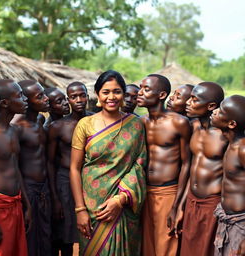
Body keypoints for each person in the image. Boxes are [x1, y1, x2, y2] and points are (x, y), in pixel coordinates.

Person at [70, 70, 147, 255]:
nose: (111, 97)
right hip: (91, 205)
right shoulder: (85, 124)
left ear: (123, 94)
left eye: (117, 91)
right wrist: (80, 210)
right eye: (106, 92)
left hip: (123, 206)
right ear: (98, 94)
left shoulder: (136, 125)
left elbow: (139, 164)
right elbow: (74, 168)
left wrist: (120, 200)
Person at [137, 74, 191, 256]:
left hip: (168, 191)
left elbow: (186, 164)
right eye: (140, 87)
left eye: (146, 89)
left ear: (161, 95)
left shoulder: (179, 123)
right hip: (144, 191)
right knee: (147, 245)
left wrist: (177, 205)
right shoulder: (141, 122)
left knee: (166, 244)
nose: (140, 93)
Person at [179, 82, 228, 256]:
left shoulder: (225, 135)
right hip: (192, 201)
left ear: (211, 106)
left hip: (213, 205)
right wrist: (180, 206)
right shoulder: (193, 127)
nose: (188, 102)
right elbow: (191, 169)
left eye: (194, 99)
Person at [47, 82, 92, 256]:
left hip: (89, 178)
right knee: (65, 233)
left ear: (88, 96)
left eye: (82, 95)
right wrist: (55, 198)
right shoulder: (58, 127)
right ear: (69, 100)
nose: (79, 100)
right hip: (65, 180)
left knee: (89, 228)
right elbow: (50, 163)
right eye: (74, 97)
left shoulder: (96, 121)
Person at [0, 79, 31, 256]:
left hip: (15, 204)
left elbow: (15, 169)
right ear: (5, 103)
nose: (25, 99)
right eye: (20, 95)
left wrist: (26, 205)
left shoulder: (13, 130)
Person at [11, 80, 51, 256]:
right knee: (30, 242)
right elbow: (14, 167)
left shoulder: (41, 119)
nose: (46, 98)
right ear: (26, 100)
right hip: (28, 190)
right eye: (40, 96)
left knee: (46, 239)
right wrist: (25, 203)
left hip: (44, 189)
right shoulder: (16, 127)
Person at [210, 95, 245, 256]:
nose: (215, 111)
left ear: (231, 124)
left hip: (240, 224)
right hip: (226, 218)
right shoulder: (229, 143)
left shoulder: (242, 150)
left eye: (221, 111)